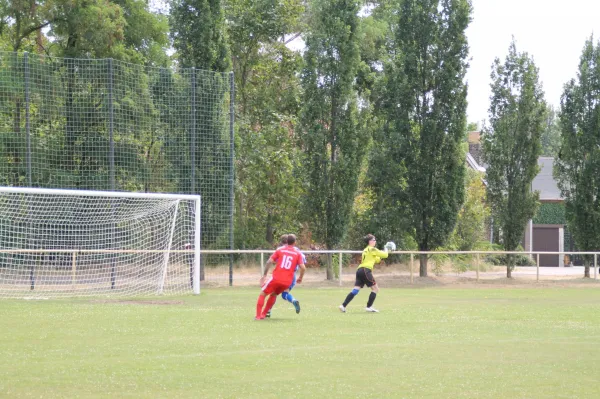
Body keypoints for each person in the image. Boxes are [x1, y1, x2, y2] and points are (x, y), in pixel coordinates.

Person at [255, 234, 305, 320]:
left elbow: (269, 262)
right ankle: (264, 314)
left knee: (263, 293)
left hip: (277, 277)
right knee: (274, 294)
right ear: (295, 242)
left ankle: (259, 316)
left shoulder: (280, 250)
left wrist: (264, 275)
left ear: (285, 242)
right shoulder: (298, 253)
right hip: (288, 280)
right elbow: (303, 267)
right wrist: (300, 277)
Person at [339, 234, 391, 313]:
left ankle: (343, 305)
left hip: (359, 270)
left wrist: (382, 255)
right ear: (370, 241)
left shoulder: (366, 249)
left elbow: (377, 259)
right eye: (374, 240)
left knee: (355, 290)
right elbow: (385, 255)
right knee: (376, 289)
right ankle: (369, 307)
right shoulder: (372, 249)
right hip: (365, 270)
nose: (375, 241)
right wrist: (387, 249)